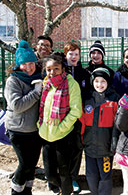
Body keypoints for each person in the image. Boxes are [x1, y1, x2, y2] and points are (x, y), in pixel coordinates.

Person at [38, 54, 82, 195]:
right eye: (49, 69)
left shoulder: (71, 84)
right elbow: (42, 107)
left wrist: (62, 127)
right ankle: (61, 188)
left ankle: (66, 192)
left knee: (64, 173)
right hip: (46, 135)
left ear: (63, 68)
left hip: (64, 136)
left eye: (56, 69)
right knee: (50, 174)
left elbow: (76, 111)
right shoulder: (46, 83)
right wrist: (40, 125)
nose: (52, 72)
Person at [4, 40, 43, 195]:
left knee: (32, 165)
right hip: (18, 130)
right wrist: (35, 92)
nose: (28, 67)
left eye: (31, 63)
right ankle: (15, 190)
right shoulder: (13, 80)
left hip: (35, 130)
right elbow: (17, 105)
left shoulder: (39, 76)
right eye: (24, 64)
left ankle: (27, 190)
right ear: (19, 65)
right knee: (25, 164)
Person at [80, 67, 119, 195]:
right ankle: (94, 192)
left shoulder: (114, 99)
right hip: (89, 145)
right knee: (91, 174)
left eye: (103, 81)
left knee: (105, 175)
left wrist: (114, 142)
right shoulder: (86, 98)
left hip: (105, 147)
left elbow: (117, 125)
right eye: (97, 81)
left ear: (108, 83)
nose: (100, 84)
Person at [63, 42, 90, 193]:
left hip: (79, 117)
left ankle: (73, 177)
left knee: (77, 147)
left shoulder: (84, 73)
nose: (73, 57)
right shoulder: (60, 71)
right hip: (62, 117)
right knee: (63, 148)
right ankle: (62, 178)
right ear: (66, 55)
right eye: (70, 54)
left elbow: (86, 93)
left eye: (76, 54)